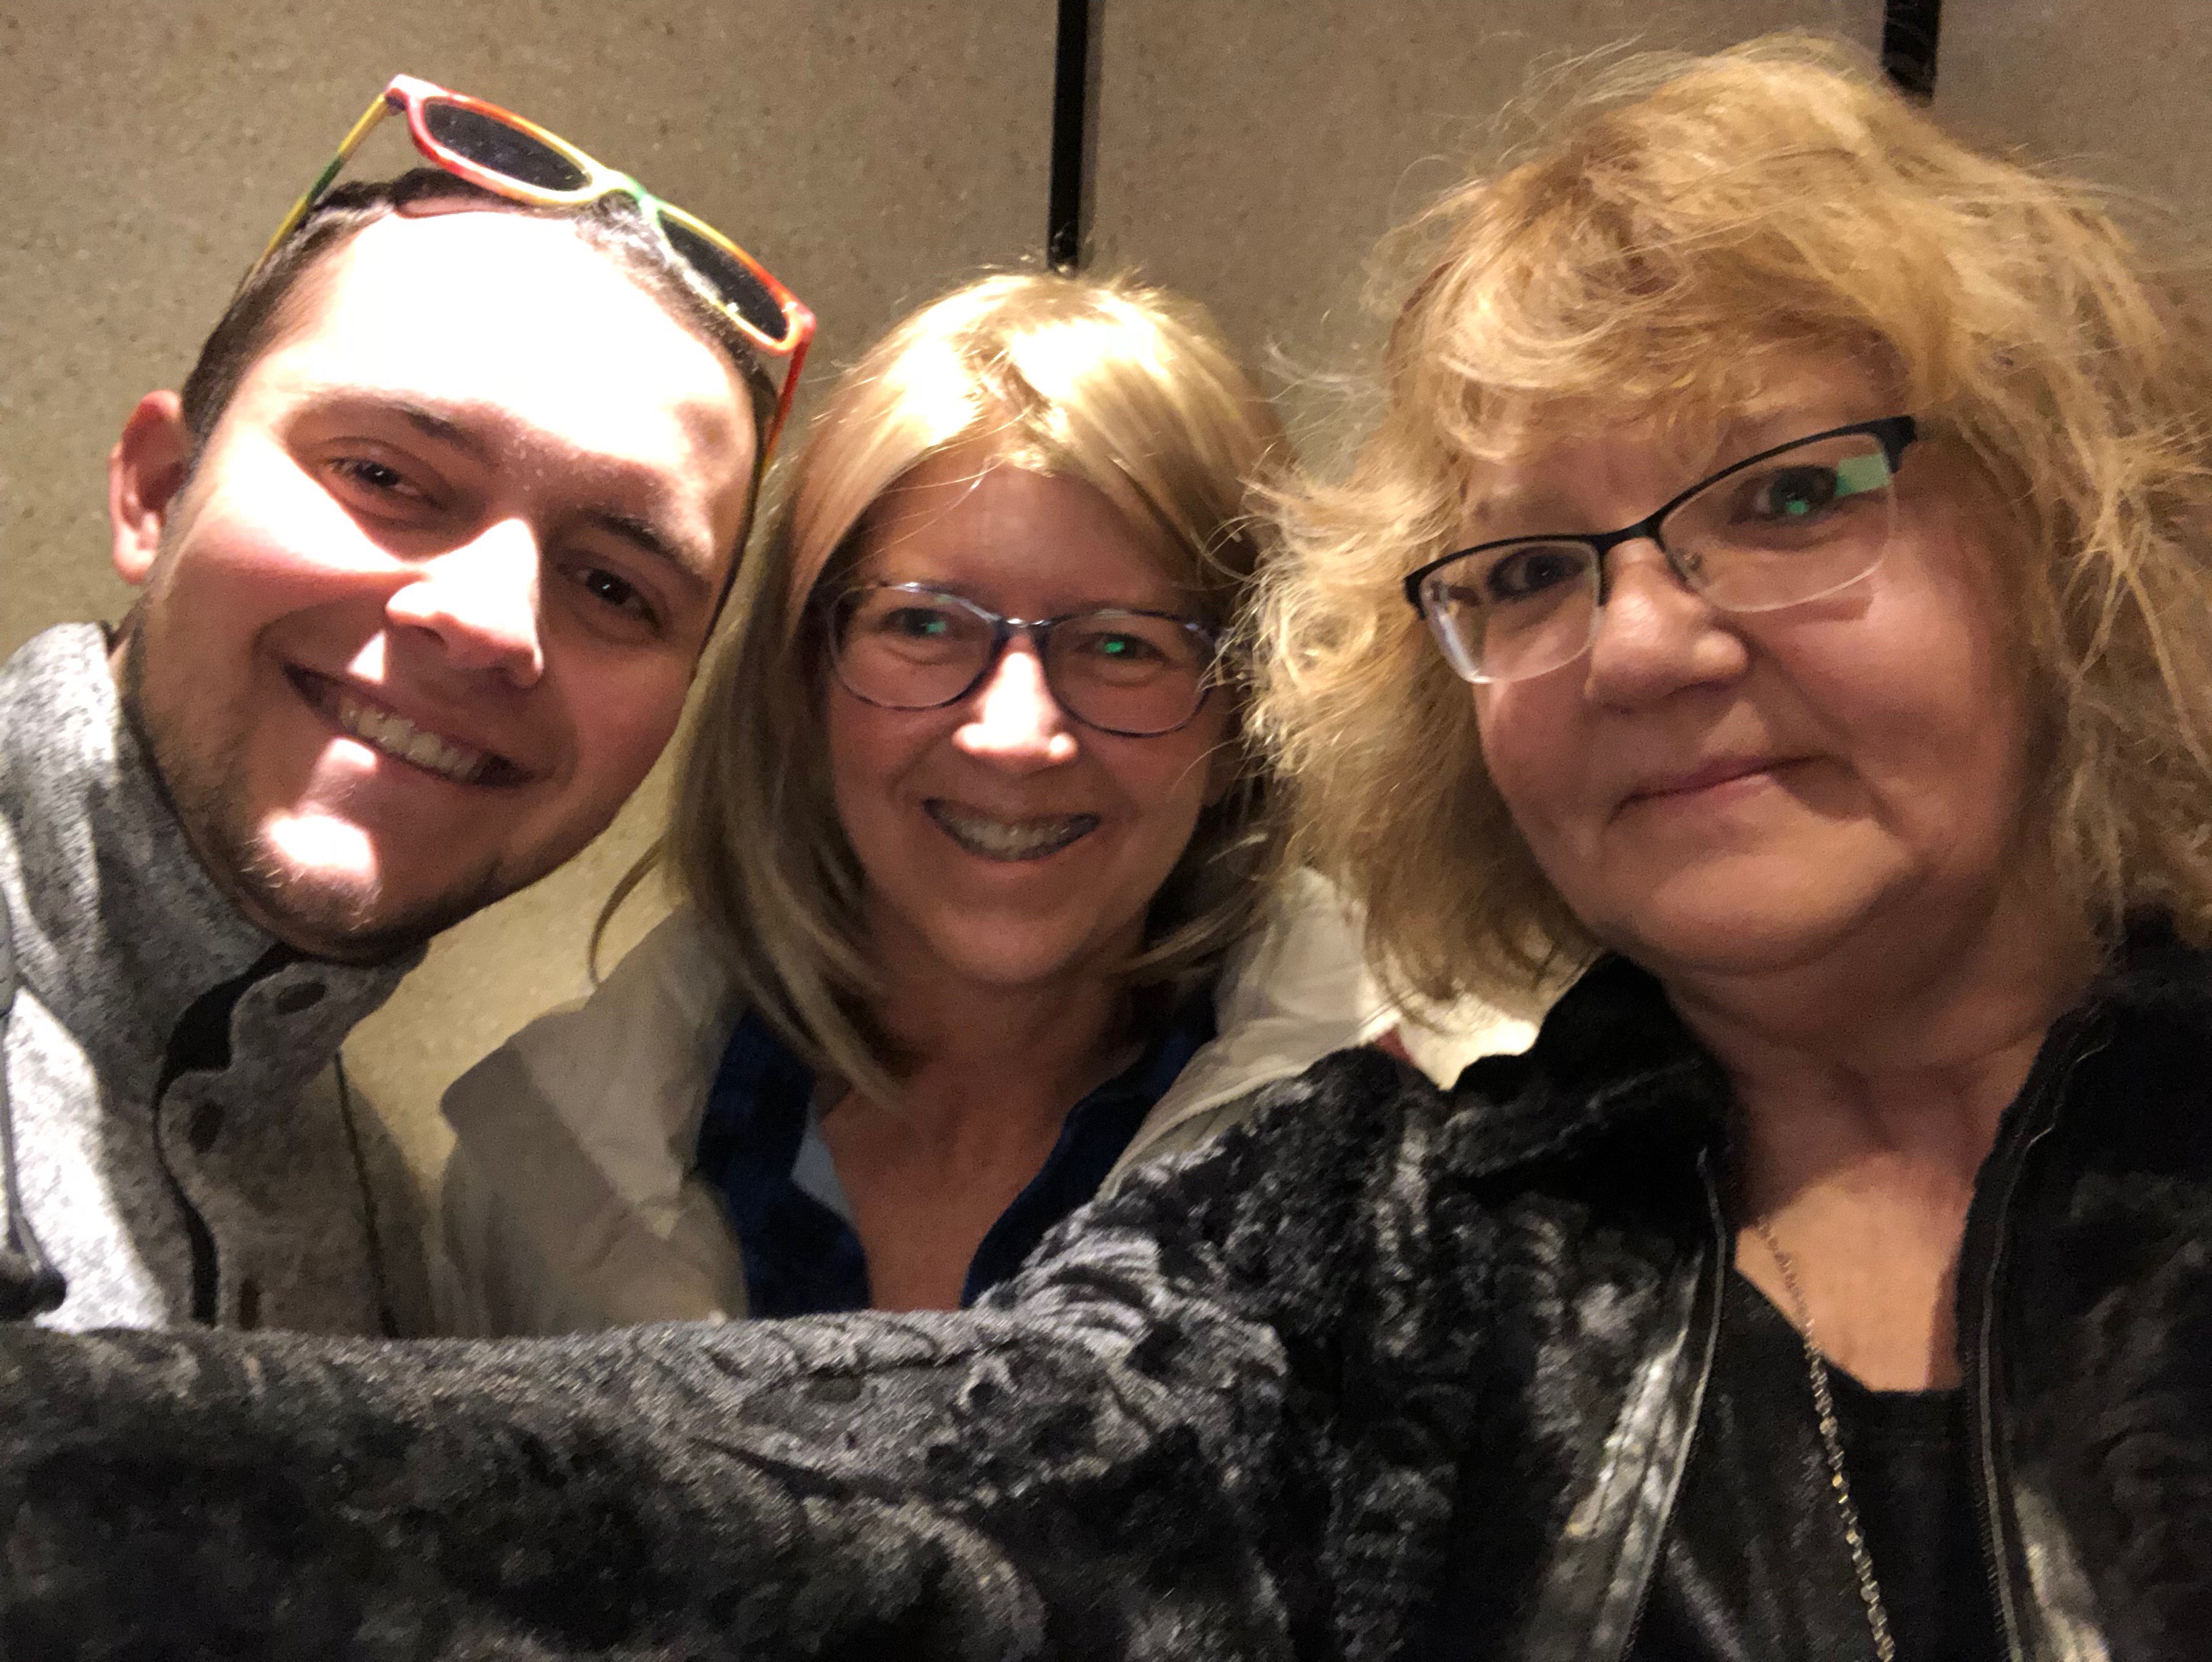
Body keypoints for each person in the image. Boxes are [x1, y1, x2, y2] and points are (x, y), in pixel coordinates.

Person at [5, 39, 2210, 1661]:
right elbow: (984, 1471)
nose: (1640, 639)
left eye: (1795, 494)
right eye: (1533, 568)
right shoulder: (1402, 1240)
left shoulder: (1392, 1148)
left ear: (2071, 529)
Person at [435, 272, 1442, 1333]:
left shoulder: (1427, 1168)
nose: (1015, 737)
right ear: (805, 684)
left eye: (1121, 647)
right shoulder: (543, 1185)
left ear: (1242, 723)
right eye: (922, 625)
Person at [0, 74, 811, 1333]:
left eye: (614, 586)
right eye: (383, 475)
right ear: (158, 491)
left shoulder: (383, 1235)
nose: (489, 622)